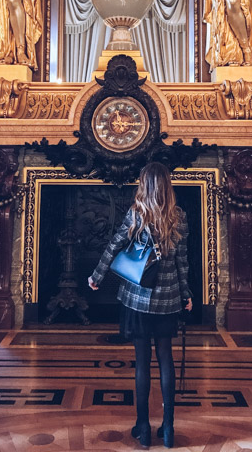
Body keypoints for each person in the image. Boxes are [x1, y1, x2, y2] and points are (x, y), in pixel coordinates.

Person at [88, 162, 192, 449]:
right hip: (168, 301)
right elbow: (183, 263)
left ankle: (143, 428)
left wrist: (97, 277)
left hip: (137, 301)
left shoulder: (137, 214)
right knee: (166, 361)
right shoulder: (179, 217)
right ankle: (168, 429)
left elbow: (113, 246)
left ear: (143, 186)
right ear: (168, 186)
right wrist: (186, 295)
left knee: (142, 364)